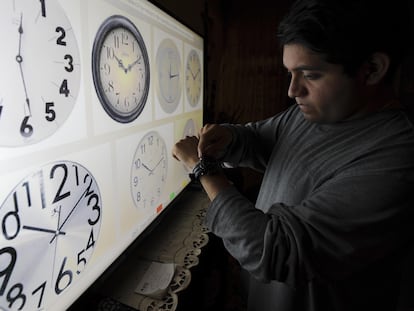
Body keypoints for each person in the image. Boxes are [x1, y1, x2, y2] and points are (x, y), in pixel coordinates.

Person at [172, 0, 414, 310]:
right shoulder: (317, 112)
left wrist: (203, 167)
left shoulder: (396, 161)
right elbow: (261, 140)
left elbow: (275, 249)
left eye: (310, 75)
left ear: (372, 69)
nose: (292, 90)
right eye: (290, 73)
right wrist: (231, 137)